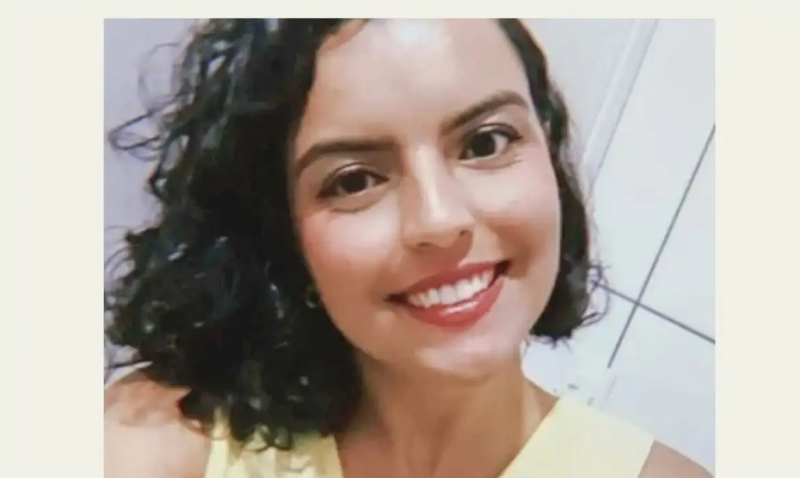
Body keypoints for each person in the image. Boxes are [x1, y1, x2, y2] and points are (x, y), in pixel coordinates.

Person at [104, 19, 712, 478]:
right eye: (353, 181)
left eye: (486, 142)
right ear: (284, 237)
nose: (440, 220)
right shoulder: (160, 441)